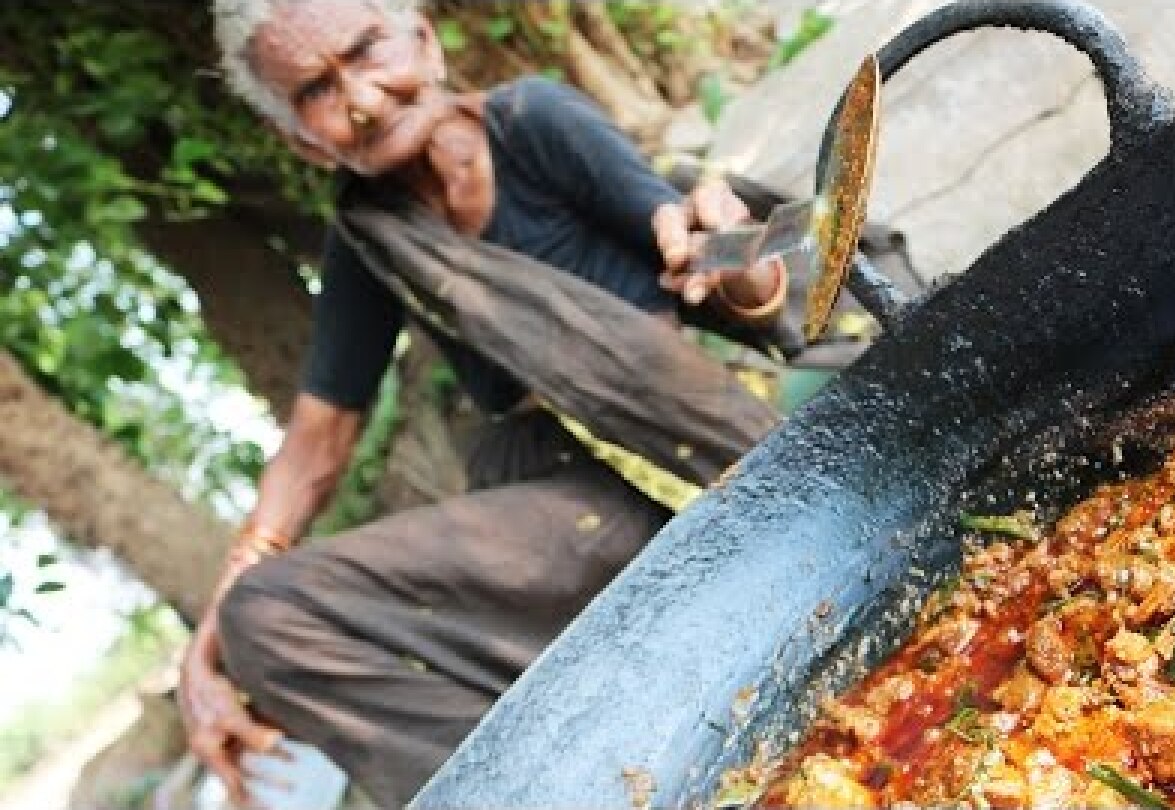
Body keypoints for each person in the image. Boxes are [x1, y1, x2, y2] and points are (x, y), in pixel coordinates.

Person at [182, 0, 791, 806]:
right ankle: (562, 787)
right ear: (300, 137)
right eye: (318, 91)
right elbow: (318, 440)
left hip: (694, 426)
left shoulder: (530, 119)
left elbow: (696, 249)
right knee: (267, 619)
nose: (362, 99)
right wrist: (212, 637)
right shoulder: (371, 238)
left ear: (424, 41)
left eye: (366, 51)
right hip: (571, 501)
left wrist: (728, 252)